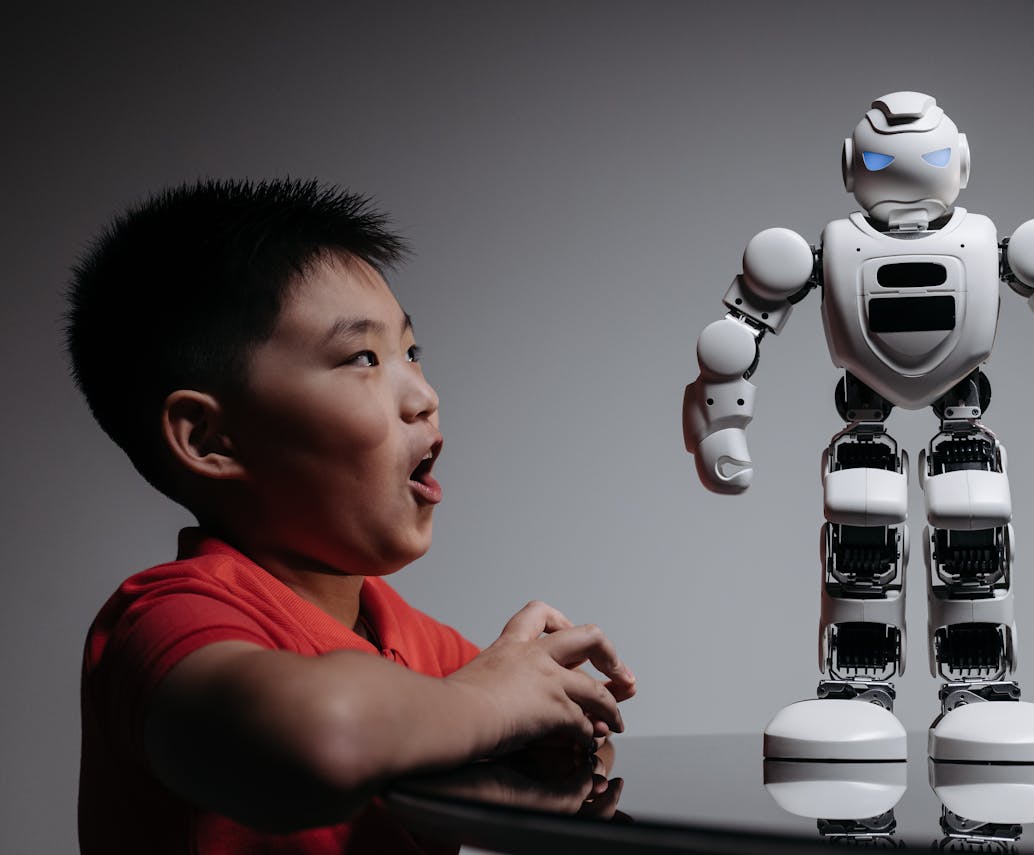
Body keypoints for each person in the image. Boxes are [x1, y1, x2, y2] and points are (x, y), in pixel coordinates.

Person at [67, 178, 637, 854]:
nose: (424, 395)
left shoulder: (426, 649)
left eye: (412, 353)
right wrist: (491, 703)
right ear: (209, 439)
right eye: (362, 357)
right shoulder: (165, 619)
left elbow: (534, 743)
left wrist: (554, 720)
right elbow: (331, 735)